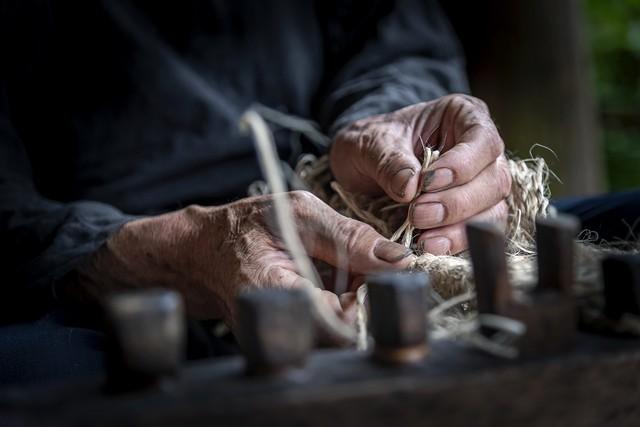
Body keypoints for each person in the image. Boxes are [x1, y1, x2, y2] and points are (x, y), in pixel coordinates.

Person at [0, 1, 637, 385]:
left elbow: (395, 44)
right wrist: (177, 247)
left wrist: (387, 127)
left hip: (359, 216)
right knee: (28, 384)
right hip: (117, 279)